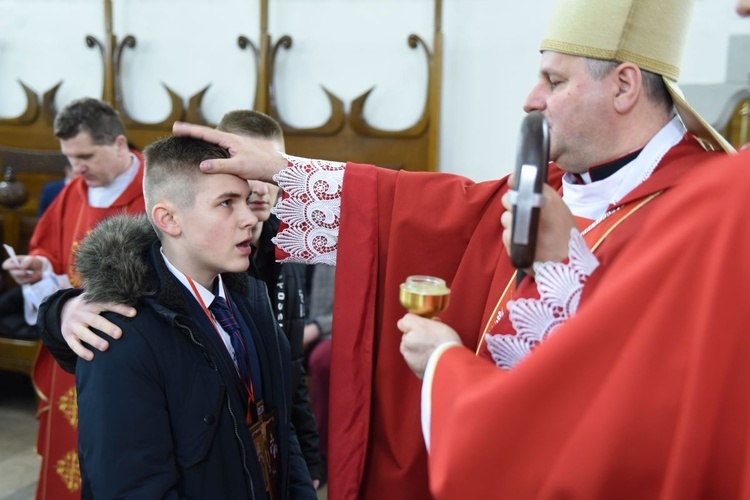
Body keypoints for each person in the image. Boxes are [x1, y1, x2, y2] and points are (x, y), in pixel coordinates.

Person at [42, 0, 733, 498]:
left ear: (622, 85)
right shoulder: (554, 186)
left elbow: (642, 389)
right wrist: (288, 175)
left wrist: (450, 370)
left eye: (553, 80)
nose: (531, 98)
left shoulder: (709, 213)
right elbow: (427, 210)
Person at [71, 136, 316, 498]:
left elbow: (280, 427)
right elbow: (132, 486)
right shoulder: (122, 331)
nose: (250, 218)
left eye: (246, 201)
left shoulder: (250, 300)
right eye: (226, 203)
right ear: (169, 219)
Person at [1, 97, 145, 500]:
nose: (76, 168)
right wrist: (38, 268)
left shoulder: (154, 192)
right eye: (69, 157)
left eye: (85, 156)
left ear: (119, 145)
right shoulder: (73, 192)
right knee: (66, 453)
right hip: (70, 348)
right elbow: (50, 251)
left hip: (127, 352)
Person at [218, 110, 326, 487]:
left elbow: (292, 366)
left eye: (273, 171)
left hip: (276, 443)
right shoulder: (206, 252)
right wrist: (66, 307)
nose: (262, 186)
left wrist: (310, 460)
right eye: (250, 170)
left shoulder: (289, 244)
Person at [303, 264, 336, 461]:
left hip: (331, 332)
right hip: (298, 326)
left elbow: (356, 306)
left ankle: (321, 451)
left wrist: (316, 327)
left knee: (322, 361)